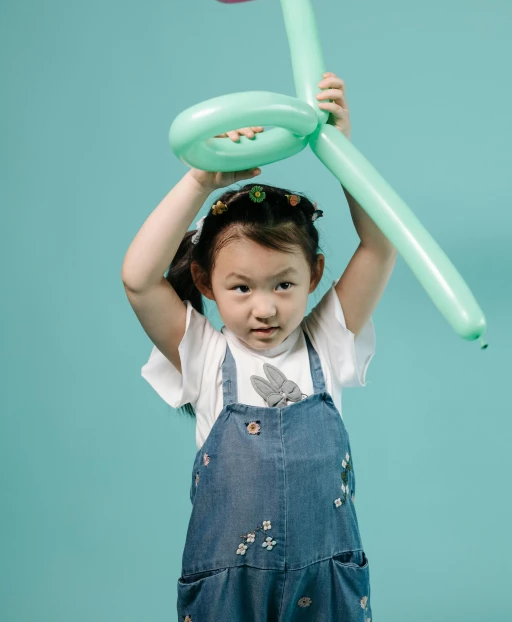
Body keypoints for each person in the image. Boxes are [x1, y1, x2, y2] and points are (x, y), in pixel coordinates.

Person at [121, 72, 397, 621]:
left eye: (284, 284)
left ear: (315, 274)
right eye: (240, 288)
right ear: (204, 282)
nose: (264, 308)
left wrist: (340, 149)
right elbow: (138, 279)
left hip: (327, 582)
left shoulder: (327, 342)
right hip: (230, 593)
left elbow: (378, 244)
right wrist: (200, 179)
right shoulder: (205, 355)